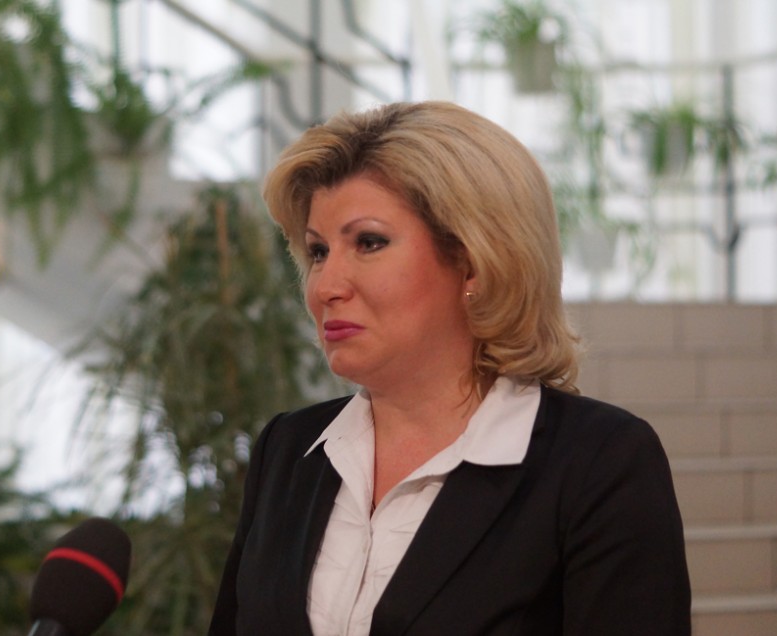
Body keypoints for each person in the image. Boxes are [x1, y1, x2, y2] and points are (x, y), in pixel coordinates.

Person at [208, 101, 691, 636]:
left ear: (474, 262)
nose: (326, 286)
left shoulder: (599, 462)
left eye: (368, 243)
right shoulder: (287, 449)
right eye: (318, 251)